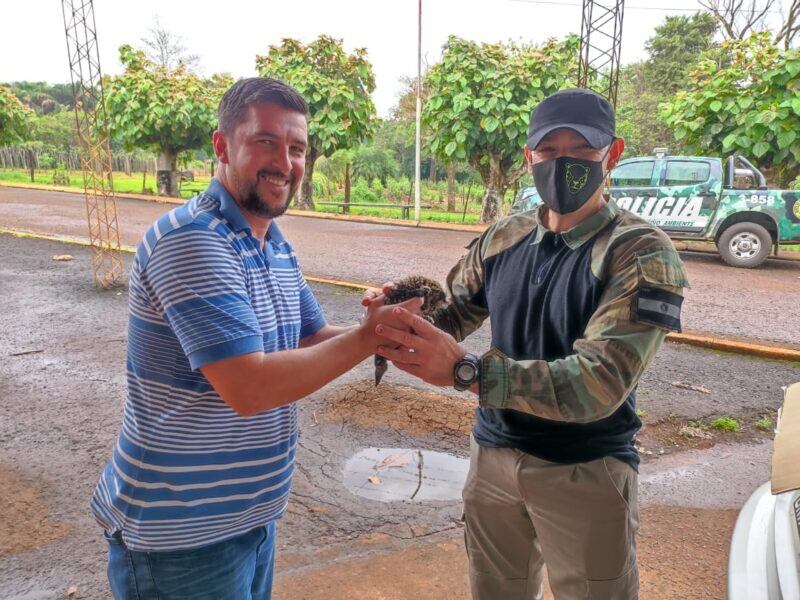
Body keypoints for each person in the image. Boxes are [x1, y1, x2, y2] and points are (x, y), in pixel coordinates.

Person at [90, 77, 417, 600]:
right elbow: (250, 387)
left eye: (297, 148)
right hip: (181, 536)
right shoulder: (192, 239)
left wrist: (379, 334)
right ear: (221, 145)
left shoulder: (273, 242)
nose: (284, 163)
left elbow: (310, 337)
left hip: (249, 520)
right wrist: (366, 339)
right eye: (265, 141)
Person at [367, 88, 689, 599]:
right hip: (493, 459)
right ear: (529, 158)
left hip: (584, 468)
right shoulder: (504, 236)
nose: (563, 165)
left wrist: (467, 373)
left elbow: (598, 383)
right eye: (549, 152)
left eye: (581, 151)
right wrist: (403, 310)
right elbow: (450, 314)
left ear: (614, 153)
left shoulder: (638, 251)